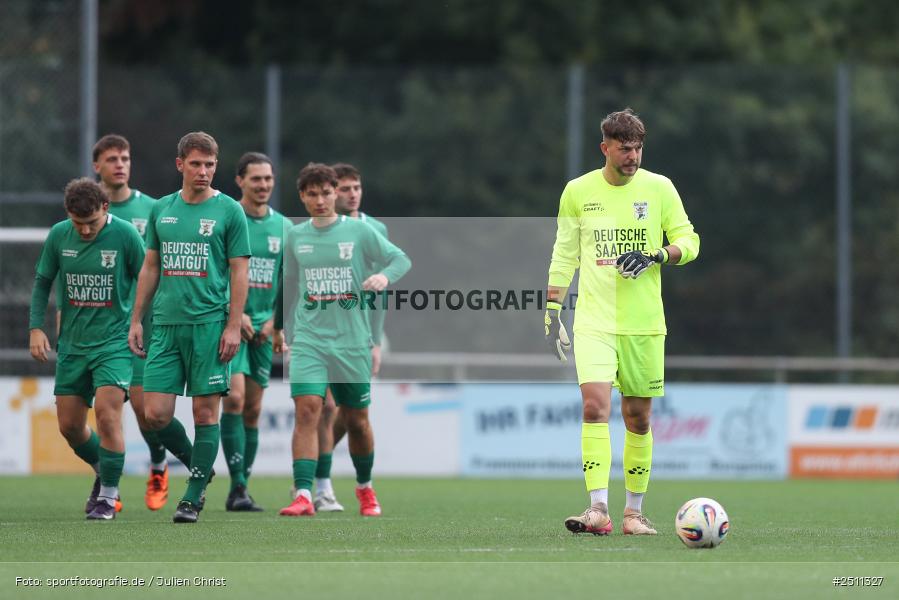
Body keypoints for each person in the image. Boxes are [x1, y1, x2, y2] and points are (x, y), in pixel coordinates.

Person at [544, 108, 700, 536]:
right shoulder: (577, 191)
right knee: (594, 406)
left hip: (644, 324)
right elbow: (565, 251)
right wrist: (553, 306)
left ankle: (634, 514)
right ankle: (597, 509)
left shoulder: (660, 188)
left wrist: (657, 255)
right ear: (605, 148)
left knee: (638, 419)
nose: (633, 156)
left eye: (638, 148)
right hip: (593, 320)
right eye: (625, 148)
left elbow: (690, 241)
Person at [128, 131, 250, 523]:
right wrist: (136, 319)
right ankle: (197, 462)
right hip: (165, 325)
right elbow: (150, 266)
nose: (204, 171)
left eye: (210, 165)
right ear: (180, 164)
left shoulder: (230, 211)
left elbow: (240, 271)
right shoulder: (162, 209)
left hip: (209, 326)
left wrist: (233, 325)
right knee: (155, 414)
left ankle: (192, 497)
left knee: (204, 414)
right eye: (196, 164)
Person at [276, 163, 410, 517]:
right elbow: (288, 286)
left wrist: (383, 276)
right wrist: (282, 330)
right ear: (302, 197)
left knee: (357, 420)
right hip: (309, 340)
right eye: (312, 194)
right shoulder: (295, 236)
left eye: (326, 193)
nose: (320, 200)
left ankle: (365, 487)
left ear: (335, 193)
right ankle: (304, 494)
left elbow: (400, 259)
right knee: (307, 410)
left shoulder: (359, 232)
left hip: (352, 342)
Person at [29, 178, 145, 520]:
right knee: (69, 426)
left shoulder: (125, 235)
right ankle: (103, 470)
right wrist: (36, 327)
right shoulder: (58, 234)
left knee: (109, 416)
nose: (84, 230)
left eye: (91, 223)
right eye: (78, 224)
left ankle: (108, 497)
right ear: (68, 215)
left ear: (105, 208)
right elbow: (42, 282)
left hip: (114, 343)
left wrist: (141, 323)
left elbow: (148, 277)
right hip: (73, 346)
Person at [91, 134, 171, 511]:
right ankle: (107, 484)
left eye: (125, 157)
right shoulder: (87, 211)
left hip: (143, 324)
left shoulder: (152, 209)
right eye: (112, 159)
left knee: (143, 410)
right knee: (106, 411)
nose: (120, 164)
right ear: (97, 166)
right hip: (102, 328)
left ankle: (158, 466)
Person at [313, 162, 390, 512]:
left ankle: (320, 466)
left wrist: (375, 340)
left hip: (359, 335)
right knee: (326, 407)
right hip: (322, 334)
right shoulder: (318, 231)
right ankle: (321, 486)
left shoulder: (375, 229)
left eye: (356, 187)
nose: (352, 193)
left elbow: (380, 291)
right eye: (344, 188)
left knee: (353, 415)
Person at [220, 152, 288, 511]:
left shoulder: (284, 228)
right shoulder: (228, 219)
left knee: (254, 409)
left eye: (268, 178)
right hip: (231, 325)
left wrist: (274, 323)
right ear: (240, 181)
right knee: (234, 398)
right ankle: (237, 487)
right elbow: (215, 273)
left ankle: (240, 489)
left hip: (265, 330)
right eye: (256, 179)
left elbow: (291, 282)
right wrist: (237, 315)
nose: (263, 185)